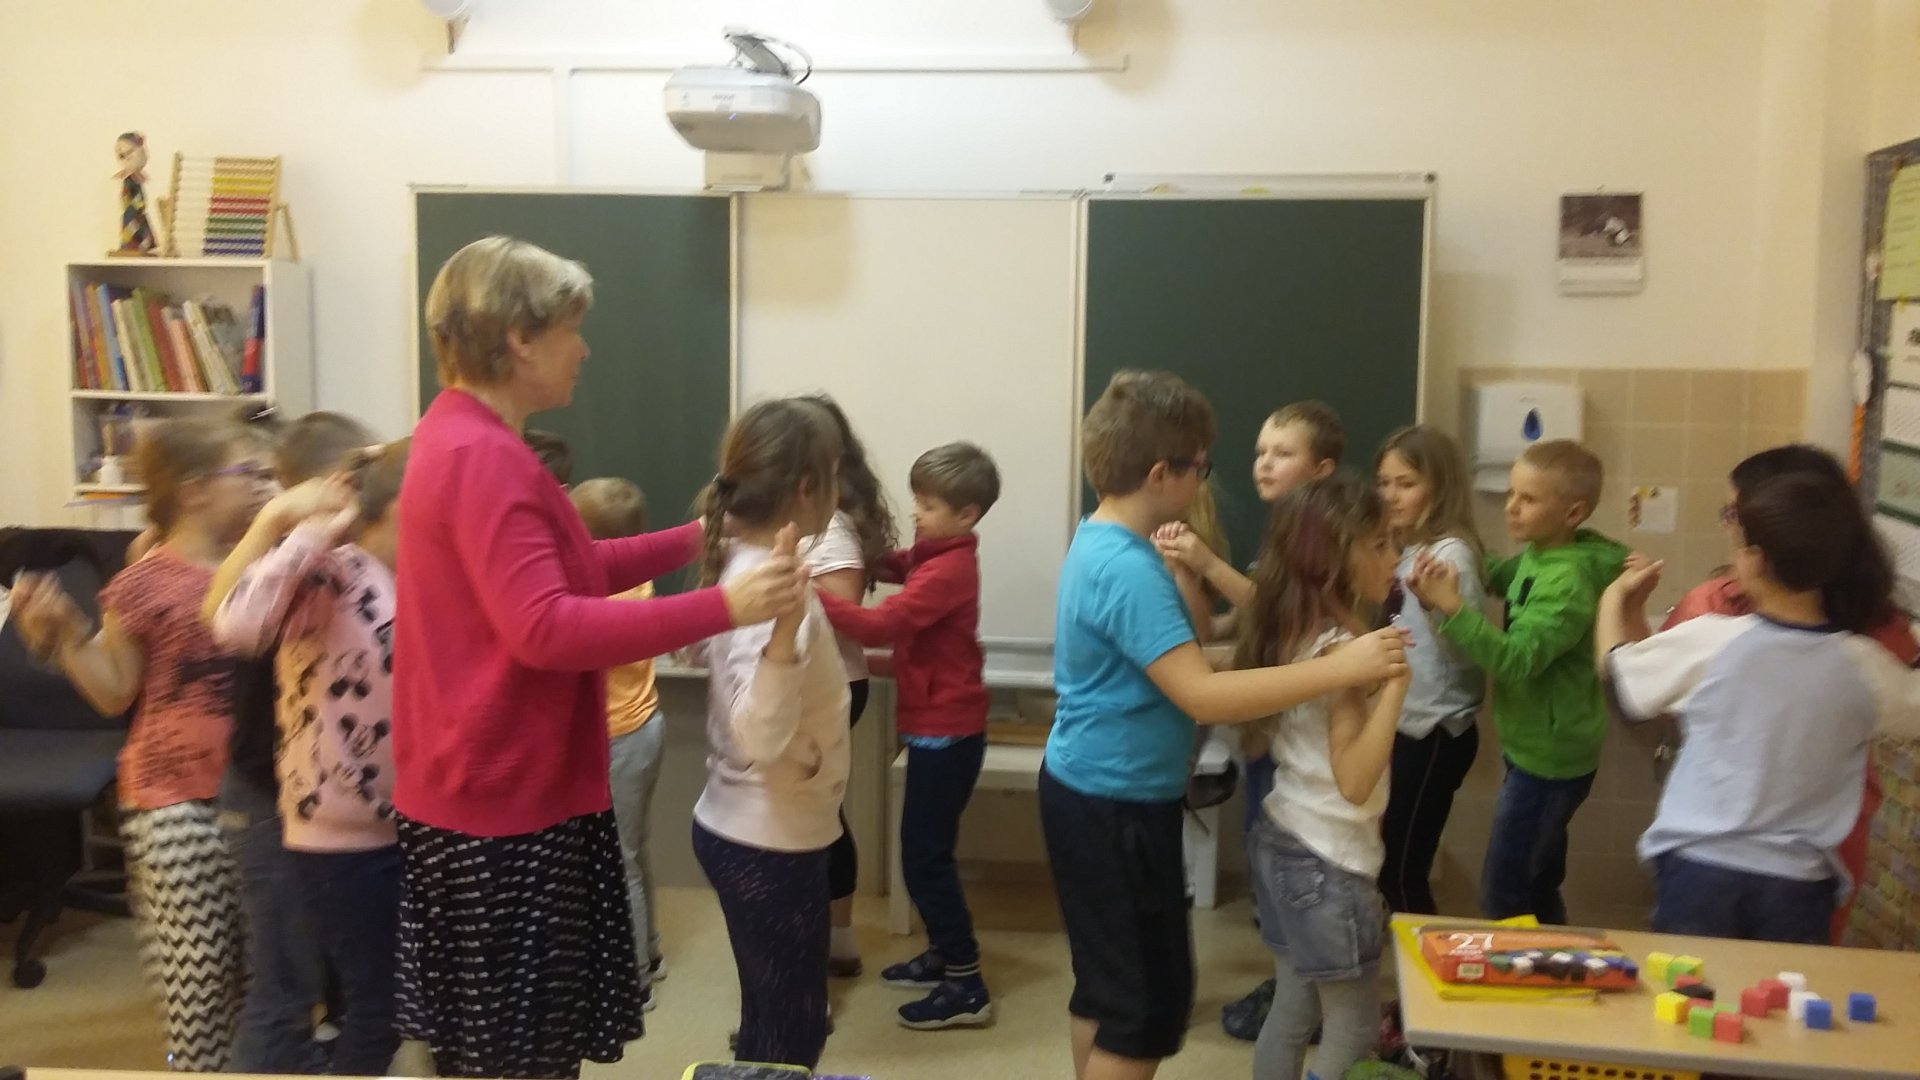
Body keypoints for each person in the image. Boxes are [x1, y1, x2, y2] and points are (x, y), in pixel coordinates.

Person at [393, 236, 809, 1079]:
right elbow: (545, 627)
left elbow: (573, 566)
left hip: (487, 794)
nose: (583, 351)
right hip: (502, 809)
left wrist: (700, 537)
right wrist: (726, 605)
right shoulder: (484, 459)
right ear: (519, 339)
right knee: (519, 1059)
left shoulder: (466, 438)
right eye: (571, 330)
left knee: (504, 1051)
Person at [1043, 371, 1408, 1080]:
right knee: (1142, 1010)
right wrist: (1341, 667)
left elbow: (1177, 662)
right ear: (1161, 474)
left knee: (1107, 989)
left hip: (1096, 791)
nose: (1207, 480)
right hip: (1113, 803)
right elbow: (1202, 696)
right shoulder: (1129, 569)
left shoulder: (1105, 543)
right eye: (1200, 468)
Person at [11, 418, 278, 1071]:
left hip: (258, 800)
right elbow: (114, 692)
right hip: (173, 805)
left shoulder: (266, 564)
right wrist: (65, 635)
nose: (261, 487)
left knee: (266, 978)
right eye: (247, 474)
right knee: (199, 983)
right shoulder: (145, 581)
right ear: (194, 490)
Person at [1598, 470, 1920, 942]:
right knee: (1781, 989)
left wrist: (1614, 598)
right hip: (1800, 883)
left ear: (1755, 558)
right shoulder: (1864, 664)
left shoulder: (1713, 640)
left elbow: (1619, 677)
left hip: (1699, 871)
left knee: (1691, 986)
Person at [208, 441, 410, 1074]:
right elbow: (237, 625)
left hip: (400, 826)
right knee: (378, 1009)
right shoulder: (332, 572)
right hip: (337, 838)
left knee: (386, 1002)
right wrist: (310, 529)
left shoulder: (415, 578)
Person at [1155, 399, 1343, 1038]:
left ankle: (1301, 993)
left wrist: (1206, 564)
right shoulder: (1282, 531)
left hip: (1300, 734)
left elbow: (1287, 620)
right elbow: (1252, 621)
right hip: (1270, 728)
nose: (1264, 463)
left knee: (1291, 864)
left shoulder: (1322, 535)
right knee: (1269, 855)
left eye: (1282, 454)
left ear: (1322, 469)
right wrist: (1196, 642)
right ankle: (1289, 985)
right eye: (1261, 451)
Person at [814, 441, 1001, 1029]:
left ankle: (966, 982)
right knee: (922, 852)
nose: (916, 512)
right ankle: (943, 954)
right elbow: (898, 565)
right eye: (917, 499)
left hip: (949, 735)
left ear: (967, 515)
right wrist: (861, 555)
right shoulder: (934, 553)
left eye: (929, 505)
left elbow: (882, 623)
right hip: (936, 728)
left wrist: (810, 590)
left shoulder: (948, 569)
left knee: (925, 859)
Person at [691, 398, 850, 1070]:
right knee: (793, 1031)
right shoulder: (770, 591)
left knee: (772, 1017)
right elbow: (757, 736)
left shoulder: (747, 565)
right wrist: (786, 633)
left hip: (762, 830)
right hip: (767, 840)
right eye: (835, 475)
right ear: (808, 488)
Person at [1406, 438, 1625, 924]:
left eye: (1528, 499)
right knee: (1537, 879)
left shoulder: (1568, 582)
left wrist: (1451, 606)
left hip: (1550, 761)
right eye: (1511, 493)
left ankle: (1524, 965)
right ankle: (1552, 958)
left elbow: (1516, 661)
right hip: (1535, 747)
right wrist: (1461, 557)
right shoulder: (1542, 555)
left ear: (1572, 513)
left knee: (1505, 893)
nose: (1511, 507)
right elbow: (1503, 575)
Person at [1239, 473, 1409, 1080]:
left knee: (1293, 1006)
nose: (1395, 557)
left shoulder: (1299, 628)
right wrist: (1397, 688)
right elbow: (1355, 782)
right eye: (1380, 544)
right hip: (1328, 859)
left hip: (1283, 838)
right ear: (1337, 558)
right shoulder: (1342, 650)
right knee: (1354, 1028)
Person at [797, 394, 900, 981]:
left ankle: (827, 944)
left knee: (812, 815)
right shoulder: (805, 519)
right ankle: (834, 943)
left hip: (829, 686)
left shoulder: (831, 527)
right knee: (817, 810)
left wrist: (776, 581)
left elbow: (842, 609)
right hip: (808, 687)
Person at [1373, 425, 1485, 915]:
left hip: (1436, 732)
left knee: (1402, 871)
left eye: (1406, 483)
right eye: (1384, 482)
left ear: (1439, 488)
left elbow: (1467, 653)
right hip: (1408, 725)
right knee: (1391, 861)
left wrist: (1436, 605)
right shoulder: (1405, 551)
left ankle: (1421, 960)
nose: (1390, 495)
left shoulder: (1450, 555)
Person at [570, 477, 671, 1008]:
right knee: (632, 849)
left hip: (622, 738)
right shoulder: (636, 581)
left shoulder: (604, 594)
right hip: (642, 729)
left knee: (617, 861)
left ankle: (632, 981)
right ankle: (648, 951)